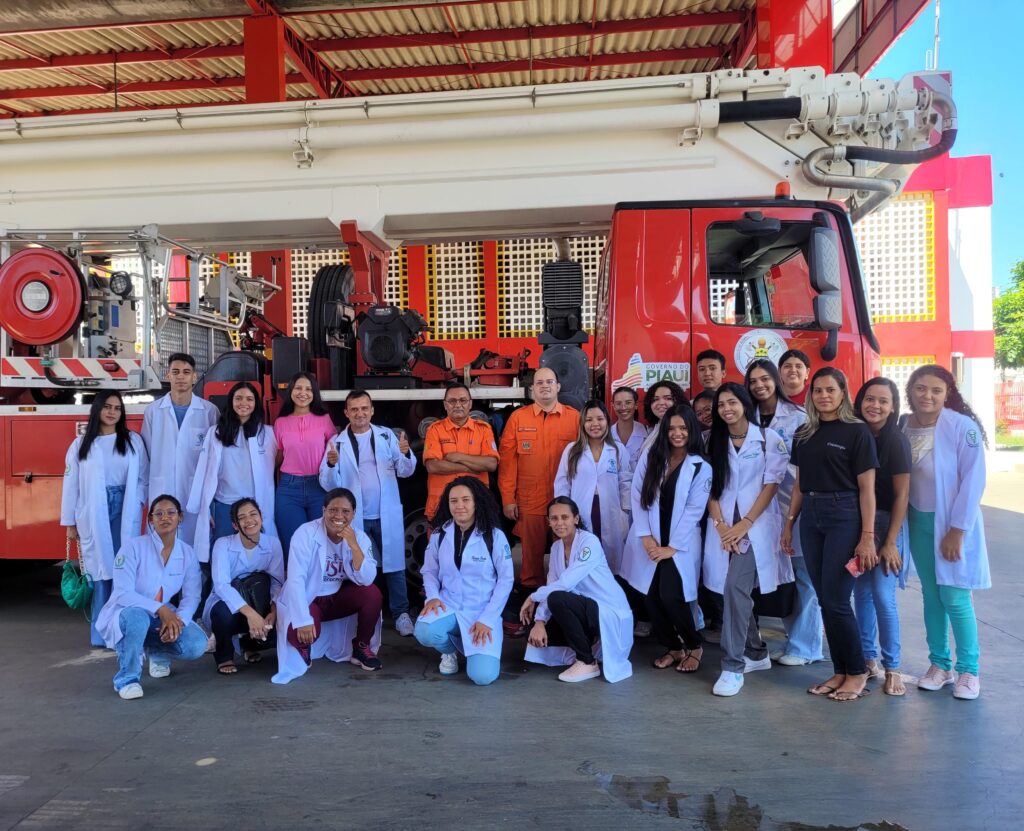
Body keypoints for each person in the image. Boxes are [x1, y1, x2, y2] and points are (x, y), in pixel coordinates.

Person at [783, 368, 878, 702]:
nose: (823, 396)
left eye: (830, 390)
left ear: (842, 392)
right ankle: (840, 670)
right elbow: (798, 484)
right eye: (818, 391)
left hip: (845, 515)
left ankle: (857, 672)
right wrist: (789, 523)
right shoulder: (804, 433)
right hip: (811, 515)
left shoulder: (857, 432)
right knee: (825, 599)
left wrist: (867, 535)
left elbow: (867, 489)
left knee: (837, 600)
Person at [902, 364, 989, 700]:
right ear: (910, 390)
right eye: (921, 388)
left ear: (947, 393)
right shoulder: (902, 425)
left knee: (954, 595)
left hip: (951, 524)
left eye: (936, 390)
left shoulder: (961, 427)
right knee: (931, 595)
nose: (928, 395)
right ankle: (940, 665)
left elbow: (973, 480)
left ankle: (969, 671)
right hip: (917, 521)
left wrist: (957, 529)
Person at [703, 383, 791, 697]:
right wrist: (721, 525)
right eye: (721, 404)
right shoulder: (712, 440)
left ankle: (732, 666)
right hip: (724, 528)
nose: (727, 409)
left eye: (732, 402)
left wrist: (745, 524)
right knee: (732, 594)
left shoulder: (769, 439)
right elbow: (709, 487)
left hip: (756, 528)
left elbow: (771, 486)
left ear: (744, 403)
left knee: (734, 587)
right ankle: (756, 652)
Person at [619, 405, 711, 674]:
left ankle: (694, 646)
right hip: (650, 540)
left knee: (672, 596)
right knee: (649, 597)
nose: (677, 433)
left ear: (692, 430)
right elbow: (638, 495)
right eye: (671, 428)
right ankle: (673, 647)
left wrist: (672, 547)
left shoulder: (700, 466)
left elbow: (695, 511)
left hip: (677, 545)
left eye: (683, 428)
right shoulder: (653, 456)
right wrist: (646, 537)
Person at [745, 359, 824, 667]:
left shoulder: (798, 417)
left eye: (765, 379)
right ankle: (785, 641)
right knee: (780, 576)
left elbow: (806, 468)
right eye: (753, 381)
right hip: (757, 512)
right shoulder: (746, 415)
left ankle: (805, 647)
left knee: (803, 576)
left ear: (776, 381)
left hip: (794, 506)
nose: (759, 385)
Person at [320, 390, 417, 636]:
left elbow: (405, 472)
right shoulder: (337, 442)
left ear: (372, 410)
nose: (360, 413)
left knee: (395, 566)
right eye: (354, 409)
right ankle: (368, 613)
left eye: (364, 408)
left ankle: (401, 613)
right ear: (346, 413)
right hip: (358, 517)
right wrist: (332, 464)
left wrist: (405, 453)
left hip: (386, 515)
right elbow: (328, 484)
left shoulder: (386, 436)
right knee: (359, 566)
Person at [95, 494, 208, 700]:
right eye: (159, 514)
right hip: (126, 613)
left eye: (171, 512)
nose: (165, 517)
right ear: (150, 520)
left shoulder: (187, 553)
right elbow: (122, 593)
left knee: (197, 644)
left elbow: (192, 597)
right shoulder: (133, 547)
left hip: (159, 617)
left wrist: (178, 621)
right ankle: (127, 679)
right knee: (137, 617)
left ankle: (158, 651)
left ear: (180, 517)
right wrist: (161, 610)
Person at [61, 391, 148, 647]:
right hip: (94, 509)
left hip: (125, 506)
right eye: (107, 407)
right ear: (97, 409)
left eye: (117, 408)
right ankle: (102, 633)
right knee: (101, 570)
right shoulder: (81, 445)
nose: (112, 412)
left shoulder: (133, 441)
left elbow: (143, 476)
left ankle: (124, 629)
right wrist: (70, 523)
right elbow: (71, 485)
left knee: (125, 568)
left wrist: (140, 500)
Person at [272, 488, 383, 684]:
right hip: (309, 598)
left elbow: (367, 578)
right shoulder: (305, 533)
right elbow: (296, 579)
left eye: (346, 511)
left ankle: (361, 647)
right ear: (323, 510)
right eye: (333, 510)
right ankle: (304, 645)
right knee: (298, 635)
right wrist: (302, 620)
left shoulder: (359, 537)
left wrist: (354, 545)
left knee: (372, 594)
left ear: (354, 514)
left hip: (336, 598)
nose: (339, 516)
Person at [521, 497, 633, 683]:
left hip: (608, 610)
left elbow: (565, 584)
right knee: (530, 628)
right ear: (548, 521)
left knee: (558, 598)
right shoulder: (556, 547)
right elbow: (551, 584)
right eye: (554, 518)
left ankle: (587, 661)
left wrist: (532, 596)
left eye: (565, 517)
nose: (559, 523)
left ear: (576, 519)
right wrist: (540, 621)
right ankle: (586, 648)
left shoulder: (590, 542)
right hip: (582, 607)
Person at [415, 477, 514, 685]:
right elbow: (430, 571)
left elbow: (506, 580)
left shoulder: (494, 536)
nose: (459, 506)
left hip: (481, 610)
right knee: (425, 631)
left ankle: (474, 651)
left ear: (476, 502)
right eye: (454, 501)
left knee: (482, 677)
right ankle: (449, 651)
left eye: (466, 500)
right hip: (448, 604)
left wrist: (487, 619)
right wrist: (432, 597)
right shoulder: (440, 534)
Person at [853, 378, 911, 696]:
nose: (875, 405)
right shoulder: (857, 435)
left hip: (889, 524)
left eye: (883, 401)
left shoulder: (896, 441)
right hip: (860, 524)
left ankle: (893, 667)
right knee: (861, 593)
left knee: (882, 595)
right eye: (869, 399)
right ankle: (867, 659)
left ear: (892, 407)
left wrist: (890, 541)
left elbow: (902, 495)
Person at [498, 367, 579, 590]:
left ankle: (560, 597)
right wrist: (508, 498)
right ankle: (529, 599)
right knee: (531, 558)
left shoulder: (574, 418)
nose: (545, 386)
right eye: (540, 382)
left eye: (549, 382)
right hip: (529, 500)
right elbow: (508, 463)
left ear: (558, 387)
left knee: (564, 554)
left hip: (563, 500)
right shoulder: (517, 418)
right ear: (532, 388)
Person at [188, 381, 277, 566]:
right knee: (224, 558)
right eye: (238, 398)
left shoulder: (267, 434)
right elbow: (205, 471)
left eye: (249, 399)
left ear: (256, 404)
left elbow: (278, 462)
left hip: (255, 506)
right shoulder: (216, 433)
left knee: (255, 559)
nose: (243, 403)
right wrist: (206, 508)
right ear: (231, 402)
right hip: (225, 506)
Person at [141, 353, 218, 547]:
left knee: (194, 545)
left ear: (194, 377)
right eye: (175, 372)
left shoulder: (209, 411)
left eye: (186, 372)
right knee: (161, 546)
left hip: (195, 490)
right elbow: (147, 455)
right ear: (168, 376)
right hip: (162, 486)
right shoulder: (153, 411)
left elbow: (215, 458)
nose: (181, 377)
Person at [203, 498, 285, 675]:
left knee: (264, 585)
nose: (249, 520)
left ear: (261, 517)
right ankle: (224, 656)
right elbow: (221, 585)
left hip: (259, 599)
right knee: (223, 615)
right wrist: (251, 614)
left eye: (253, 514)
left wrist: (273, 611)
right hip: (229, 601)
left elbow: (277, 582)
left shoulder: (272, 543)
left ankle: (249, 644)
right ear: (234, 525)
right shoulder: (223, 544)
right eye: (242, 517)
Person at [554, 400, 631, 575]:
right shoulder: (572, 450)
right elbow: (562, 483)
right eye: (589, 420)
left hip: (611, 512)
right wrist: (563, 514)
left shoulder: (617, 450)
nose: (595, 424)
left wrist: (625, 513)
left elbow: (626, 483)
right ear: (583, 423)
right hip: (580, 511)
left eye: (600, 419)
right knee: (583, 554)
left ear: (607, 421)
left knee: (610, 558)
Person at [273, 372, 336, 557]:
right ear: (291, 391)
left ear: (314, 393)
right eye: (298, 388)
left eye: (308, 389)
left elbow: (334, 449)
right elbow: (276, 457)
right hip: (288, 489)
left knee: (320, 544)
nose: (303, 393)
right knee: (293, 545)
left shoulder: (324, 419)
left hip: (319, 486)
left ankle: (320, 586)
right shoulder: (280, 423)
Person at [423, 383, 499, 520]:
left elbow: (491, 464)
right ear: (445, 405)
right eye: (452, 401)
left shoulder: (484, 429)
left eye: (463, 400)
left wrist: (459, 456)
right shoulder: (434, 430)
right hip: (442, 505)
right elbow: (433, 466)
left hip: (477, 504)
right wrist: (471, 467)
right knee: (441, 541)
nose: (458, 405)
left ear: (470, 404)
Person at [637, 380, 688, 458]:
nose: (661, 403)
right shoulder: (654, 429)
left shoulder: (689, 430)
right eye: (655, 399)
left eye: (668, 398)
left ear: (678, 401)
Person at [610, 386, 648, 470]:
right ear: (613, 406)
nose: (623, 407)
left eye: (628, 402)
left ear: (636, 405)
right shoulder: (606, 435)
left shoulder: (647, 433)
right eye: (618, 403)